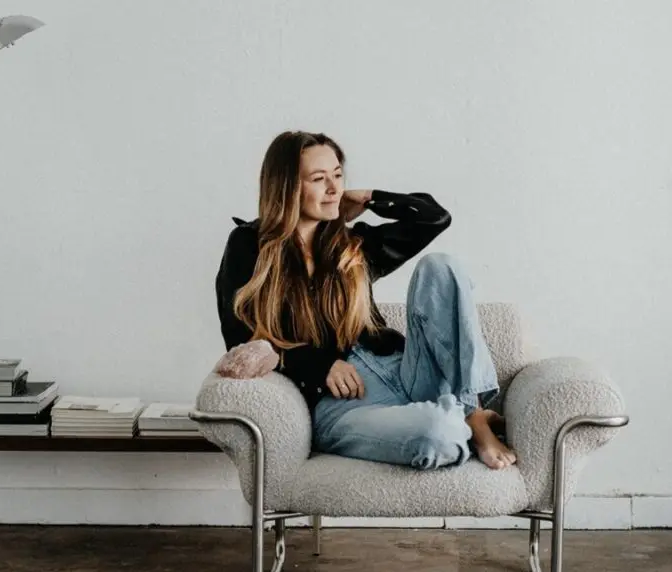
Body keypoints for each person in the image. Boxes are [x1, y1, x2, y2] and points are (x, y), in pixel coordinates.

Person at [214, 131, 516, 471]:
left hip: (405, 372)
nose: (334, 188)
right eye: (319, 179)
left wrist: (372, 198)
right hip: (342, 402)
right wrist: (318, 365)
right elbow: (240, 340)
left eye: (337, 175)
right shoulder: (249, 246)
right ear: (287, 188)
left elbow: (433, 217)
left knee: (441, 267)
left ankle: (472, 414)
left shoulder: (353, 244)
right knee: (439, 434)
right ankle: (453, 420)